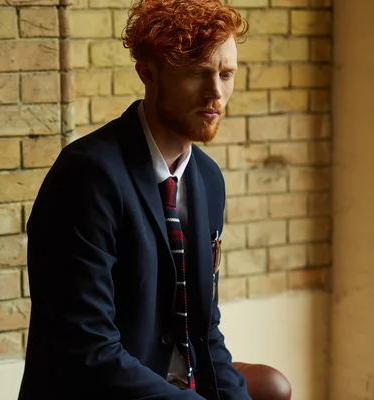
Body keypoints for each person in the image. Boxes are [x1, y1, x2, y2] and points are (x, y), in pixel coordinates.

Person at [19, 0, 250, 399]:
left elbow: (205, 328)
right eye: (198, 73)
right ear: (148, 73)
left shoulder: (208, 179)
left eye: (226, 74)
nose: (216, 93)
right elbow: (87, 350)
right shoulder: (87, 176)